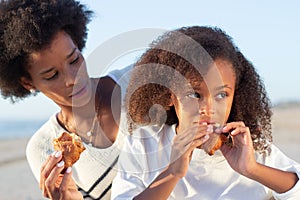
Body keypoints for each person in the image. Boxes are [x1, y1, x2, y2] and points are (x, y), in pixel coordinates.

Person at [111, 26, 300, 199]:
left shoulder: (250, 147)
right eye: (194, 94)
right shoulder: (144, 144)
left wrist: (252, 168)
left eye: (221, 94)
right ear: (169, 95)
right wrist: (172, 173)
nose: (208, 109)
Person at [0, 0, 131, 199]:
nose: (73, 79)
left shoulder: (138, 79)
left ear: (78, 45)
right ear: (28, 83)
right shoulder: (43, 148)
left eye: (74, 59)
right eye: (52, 75)